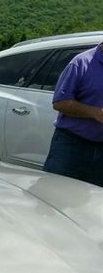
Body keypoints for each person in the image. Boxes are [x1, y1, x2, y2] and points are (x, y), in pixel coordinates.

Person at [43, 42, 103, 187]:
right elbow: (60, 102)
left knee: (95, 203)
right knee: (55, 193)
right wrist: (95, 113)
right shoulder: (81, 63)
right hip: (71, 145)